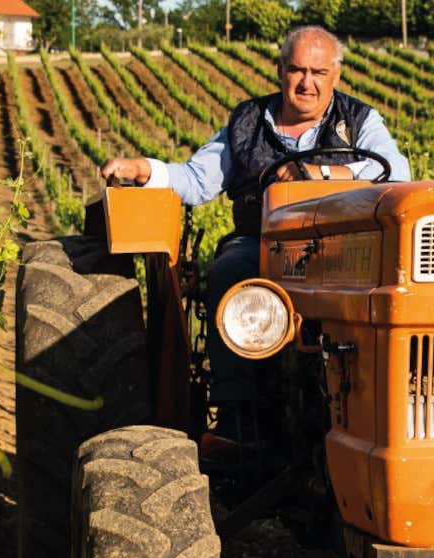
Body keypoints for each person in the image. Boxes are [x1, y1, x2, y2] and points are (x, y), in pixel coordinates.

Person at [100, 25, 410, 442]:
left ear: (336, 75)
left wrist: (322, 172)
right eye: (297, 70)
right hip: (264, 243)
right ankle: (235, 420)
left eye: (318, 73)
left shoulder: (359, 121)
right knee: (231, 271)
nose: (307, 83)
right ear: (280, 70)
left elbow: (395, 172)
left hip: (340, 246)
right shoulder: (246, 122)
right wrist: (147, 170)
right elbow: (197, 180)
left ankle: (380, 408)